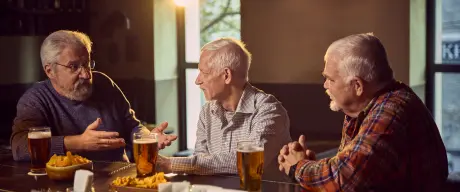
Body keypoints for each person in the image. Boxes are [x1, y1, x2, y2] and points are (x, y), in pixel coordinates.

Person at [278, 33, 448, 191]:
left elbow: (346, 178)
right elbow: (353, 173)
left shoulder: (391, 112)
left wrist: (298, 166)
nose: (325, 86)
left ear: (357, 86)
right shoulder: (367, 106)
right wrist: (312, 168)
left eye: (330, 79)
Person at [10, 30, 177, 162]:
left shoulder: (103, 82)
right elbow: (19, 147)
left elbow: (132, 125)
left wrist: (148, 138)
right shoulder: (35, 99)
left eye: (87, 64)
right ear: (50, 71)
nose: (86, 74)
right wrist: (78, 143)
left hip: (119, 179)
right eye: (74, 67)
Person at [157, 38, 292, 181]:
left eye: (205, 72)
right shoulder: (207, 112)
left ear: (226, 75)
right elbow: (199, 166)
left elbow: (250, 161)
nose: (197, 80)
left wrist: (171, 164)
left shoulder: (269, 110)